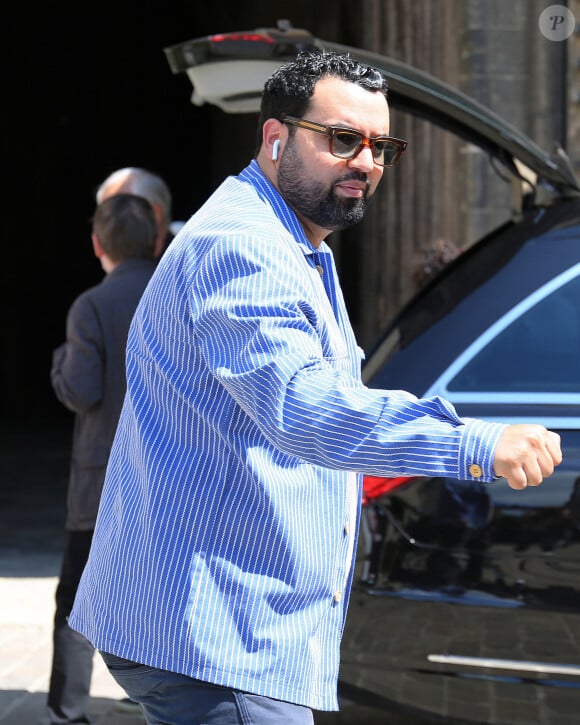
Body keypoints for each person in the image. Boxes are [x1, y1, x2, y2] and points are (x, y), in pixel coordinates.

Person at [68, 49, 562, 725]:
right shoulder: (244, 248)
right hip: (218, 639)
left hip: (221, 623)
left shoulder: (294, 241)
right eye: (342, 139)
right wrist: (471, 441)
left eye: (380, 145)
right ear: (275, 139)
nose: (366, 161)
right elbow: (309, 409)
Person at [47, 194, 157, 725]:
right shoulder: (172, 295)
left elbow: (82, 389)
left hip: (100, 484)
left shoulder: (90, 305)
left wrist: (60, 362)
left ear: (97, 245)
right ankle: (157, 700)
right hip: (166, 478)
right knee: (159, 594)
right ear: (157, 241)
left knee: (76, 600)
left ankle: (68, 711)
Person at [96, 166, 175, 258]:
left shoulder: (187, 260)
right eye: (104, 218)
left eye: (118, 212)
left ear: (155, 214)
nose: (108, 228)